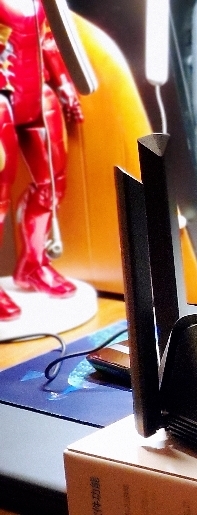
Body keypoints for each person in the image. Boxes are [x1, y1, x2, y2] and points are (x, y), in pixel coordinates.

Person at [0, 0, 83, 321]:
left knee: (52, 185)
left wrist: (64, 84)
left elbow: (46, 38)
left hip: (37, 93)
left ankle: (33, 265)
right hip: (3, 98)